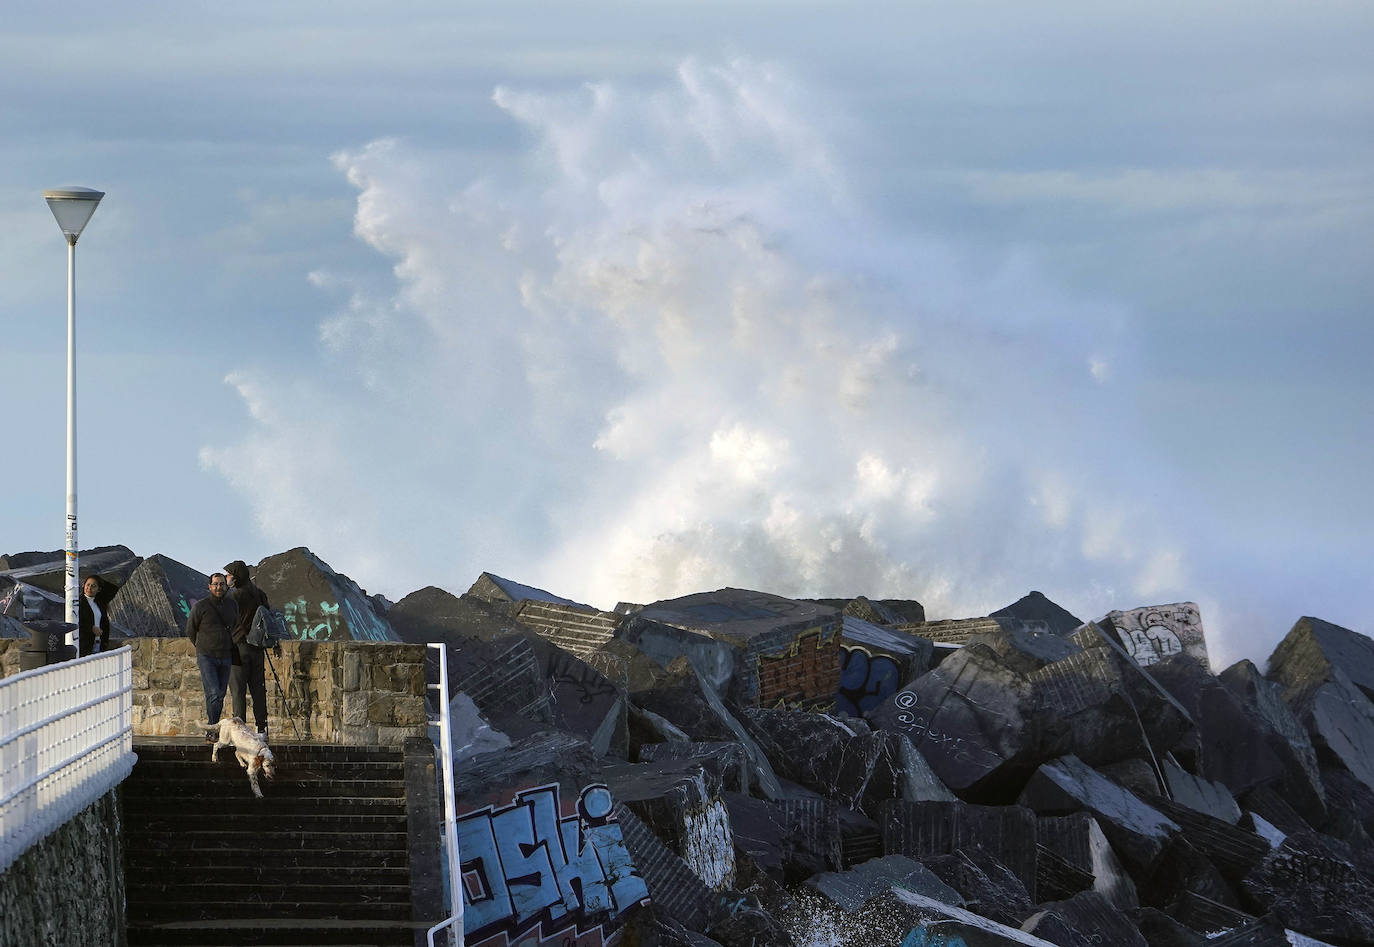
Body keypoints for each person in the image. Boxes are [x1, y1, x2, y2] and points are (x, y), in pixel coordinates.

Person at [186, 572, 237, 736]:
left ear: (226, 586)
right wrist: (201, 646)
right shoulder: (201, 606)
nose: (218, 587)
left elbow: (236, 625)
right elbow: (190, 629)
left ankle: (212, 728)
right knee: (214, 692)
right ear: (209, 587)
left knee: (219, 695)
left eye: (221, 584)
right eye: (215, 584)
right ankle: (212, 730)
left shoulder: (232, 605)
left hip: (226, 655)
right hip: (207, 656)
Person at [224, 560, 269, 739]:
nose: (226, 578)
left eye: (228, 575)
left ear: (236, 577)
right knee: (258, 689)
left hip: (238, 646)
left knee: (238, 689)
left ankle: (240, 729)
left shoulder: (234, 596)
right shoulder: (260, 594)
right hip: (257, 647)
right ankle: (261, 729)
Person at [78, 574, 113, 656]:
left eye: (93, 586)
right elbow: (76, 621)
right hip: (84, 644)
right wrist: (91, 628)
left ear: (98, 589)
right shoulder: (78, 602)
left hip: (98, 643)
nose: (89, 588)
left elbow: (104, 623)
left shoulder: (99, 604)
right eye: (88, 585)